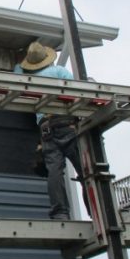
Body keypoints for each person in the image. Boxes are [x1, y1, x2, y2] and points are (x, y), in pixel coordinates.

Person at [14, 41, 86, 220]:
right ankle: (96, 211)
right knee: (86, 172)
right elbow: (78, 91)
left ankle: (60, 213)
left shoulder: (29, 80)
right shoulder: (58, 72)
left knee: (55, 170)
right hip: (66, 123)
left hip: (46, 128)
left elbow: (16, 76)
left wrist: (19, 66)